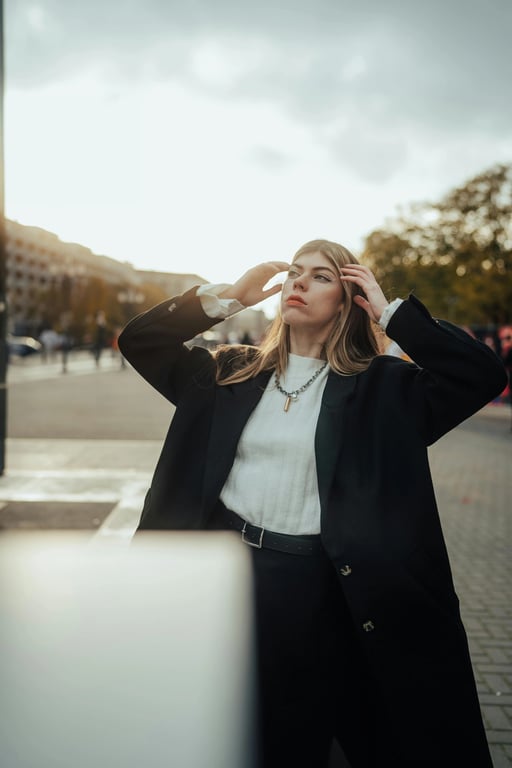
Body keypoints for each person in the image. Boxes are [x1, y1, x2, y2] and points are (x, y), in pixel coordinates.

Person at [118, 239, 507, 768]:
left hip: (314, 581)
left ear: (349, 300)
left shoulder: (383, 392)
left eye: (320, 276)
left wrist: (393, 312)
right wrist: (229, 298)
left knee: (296, 731)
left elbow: (481, 376)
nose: (298, 282)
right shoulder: (228, 371)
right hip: (221, 573)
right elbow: (141, 341)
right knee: (216, 723)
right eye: (295, 272)